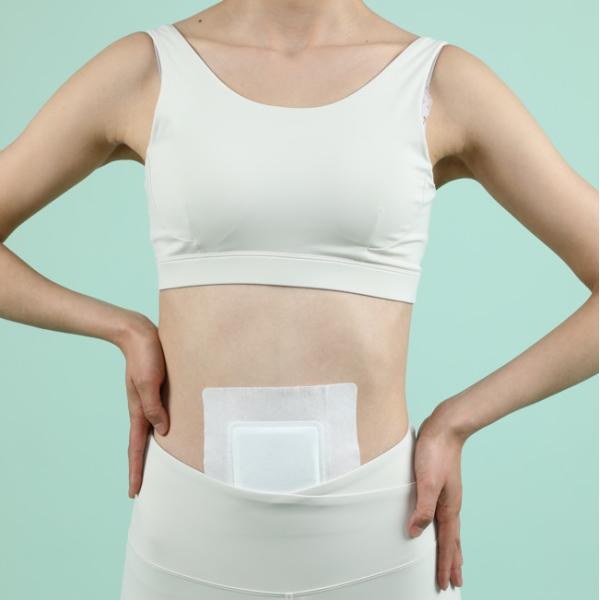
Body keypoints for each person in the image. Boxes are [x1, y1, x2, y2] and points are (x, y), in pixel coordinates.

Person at [0, 1, 597, 598]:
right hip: (187, 541)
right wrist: (121, 328)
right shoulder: (149, 69)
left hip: (381, 539)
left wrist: (455, 422)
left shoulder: (436, 81)